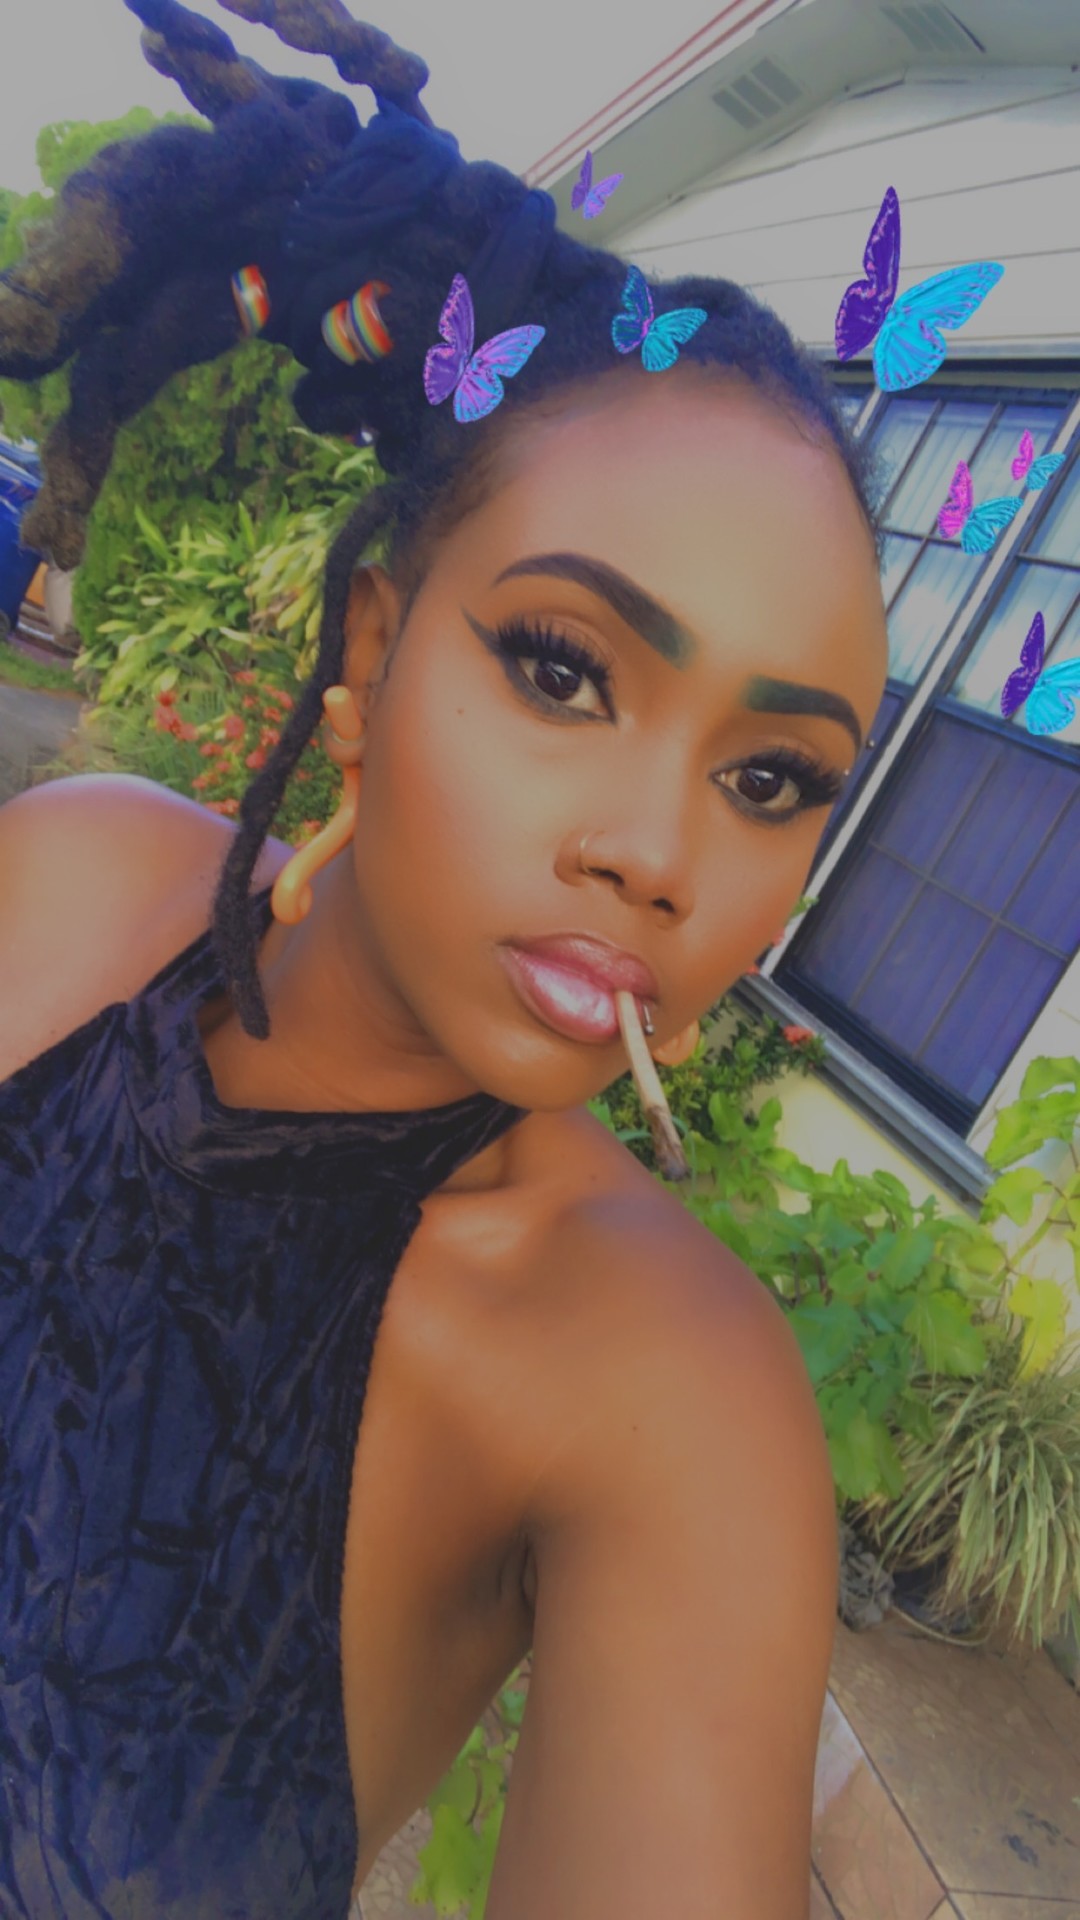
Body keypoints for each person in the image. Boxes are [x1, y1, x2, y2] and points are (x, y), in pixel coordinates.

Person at [0, 2, 889, 1915]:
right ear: (373, 651)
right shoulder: (73, 891)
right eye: (565, 669)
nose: (656, 854)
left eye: (770, 778)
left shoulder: (657, 1391)